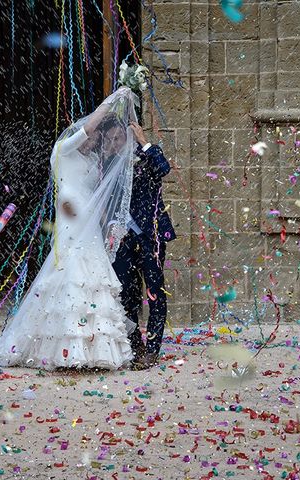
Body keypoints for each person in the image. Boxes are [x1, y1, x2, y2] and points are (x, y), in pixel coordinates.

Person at [0, 87, 139, 370]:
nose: (91, 138)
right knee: (70, 275)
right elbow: (90, 125)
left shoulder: (94, 160)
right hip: (69, 224)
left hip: (88, 225)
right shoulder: (62, 151)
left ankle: (94, 350)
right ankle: (66, 350)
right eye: (89, 134)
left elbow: (95, 196)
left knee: (92, 278)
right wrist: (112, 100)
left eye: (94, 137)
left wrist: (108, 225)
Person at [112, 123, 175, 370]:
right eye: (112, 139)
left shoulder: (148, 156)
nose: (116, 143)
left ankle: (152, 349)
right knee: (126, 293)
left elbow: (164, 168)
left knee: (155, 292)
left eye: (120, 138)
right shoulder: (109, 165)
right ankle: (135, 346)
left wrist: (143, 140)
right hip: (123, 240)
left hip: (151, 236)